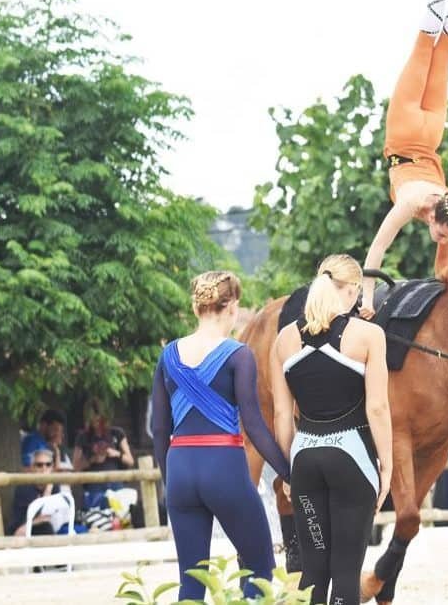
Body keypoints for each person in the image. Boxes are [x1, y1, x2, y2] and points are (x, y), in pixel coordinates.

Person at [150, 271, 291, 602]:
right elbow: (254, 425)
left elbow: (159, 430)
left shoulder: (168, 356)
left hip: (181, 468)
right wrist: (288, 473)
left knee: (191, 581)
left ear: (196, 307)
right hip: (223, 466)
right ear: (231, 308)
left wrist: (172, 481)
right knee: (259, 568)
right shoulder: (238, 355)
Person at [360, 0, 448, 318]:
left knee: (442, 53)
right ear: (440, 218)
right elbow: (378, 247)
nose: (443, 240)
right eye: (444, 236)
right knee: (427, 49)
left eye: (447, 238)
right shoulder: (413, 203)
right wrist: (365, 298)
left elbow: (442, 270)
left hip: (431, 133)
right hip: (407, 132)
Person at [270, 254, 392, 605]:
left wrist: (289, 471)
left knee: (314, 572)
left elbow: (282, 413)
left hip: (305, 458)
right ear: (353, 290)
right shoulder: (369, 334)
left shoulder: (285, 338)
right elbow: (378, 407)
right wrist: (387, 465)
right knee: (346, 570)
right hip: (351, 458)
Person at [72, 398, 136, 510]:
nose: (97, 425)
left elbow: (130, 461)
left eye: (100, 421)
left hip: (116, 483)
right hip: (93, 487)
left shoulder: (117, 433)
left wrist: (115, 453)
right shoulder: (83, 437)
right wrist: (92, 459)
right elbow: (75, 467)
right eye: (94, 421)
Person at [9, 449, 67, 536]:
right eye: (39, 465)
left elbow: (50, 517)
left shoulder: (55, 486)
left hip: (45, 527)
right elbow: (42, 515)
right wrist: (48, 489)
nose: (44, 468)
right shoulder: (24, 487)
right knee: (46, 527)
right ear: (32, 467)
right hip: (22, 528)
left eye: (48, 464)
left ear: (52, 467)